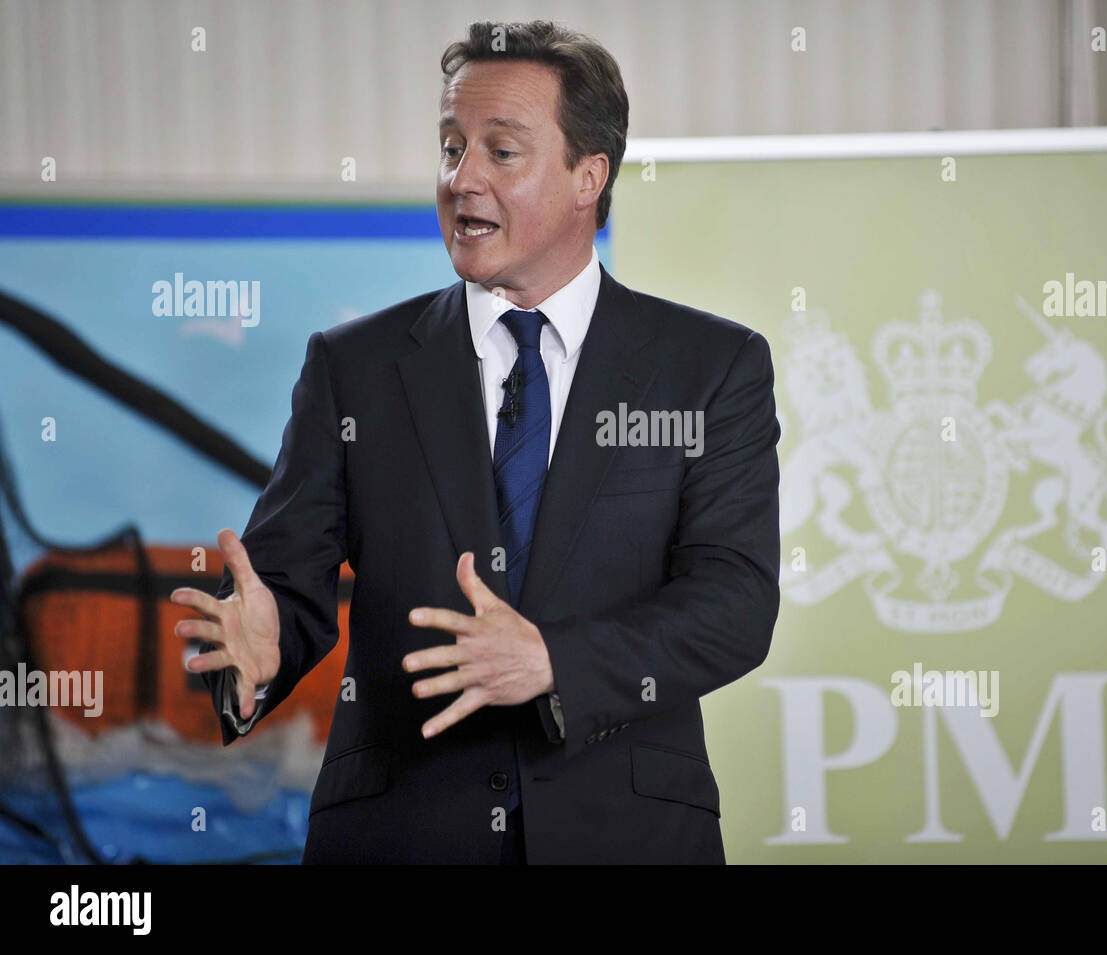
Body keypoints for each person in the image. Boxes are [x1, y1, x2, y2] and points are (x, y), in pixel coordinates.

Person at [169, 18, 780, 864]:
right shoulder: (356, 366)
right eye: (451, 147)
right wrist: (264, 646)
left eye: (501, 151)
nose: (462, 180)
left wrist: (554, 661)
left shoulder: (710, 367)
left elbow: (734, 603)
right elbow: (285, 579)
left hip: (629, 834)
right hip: (400, 833)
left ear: (587, 176)